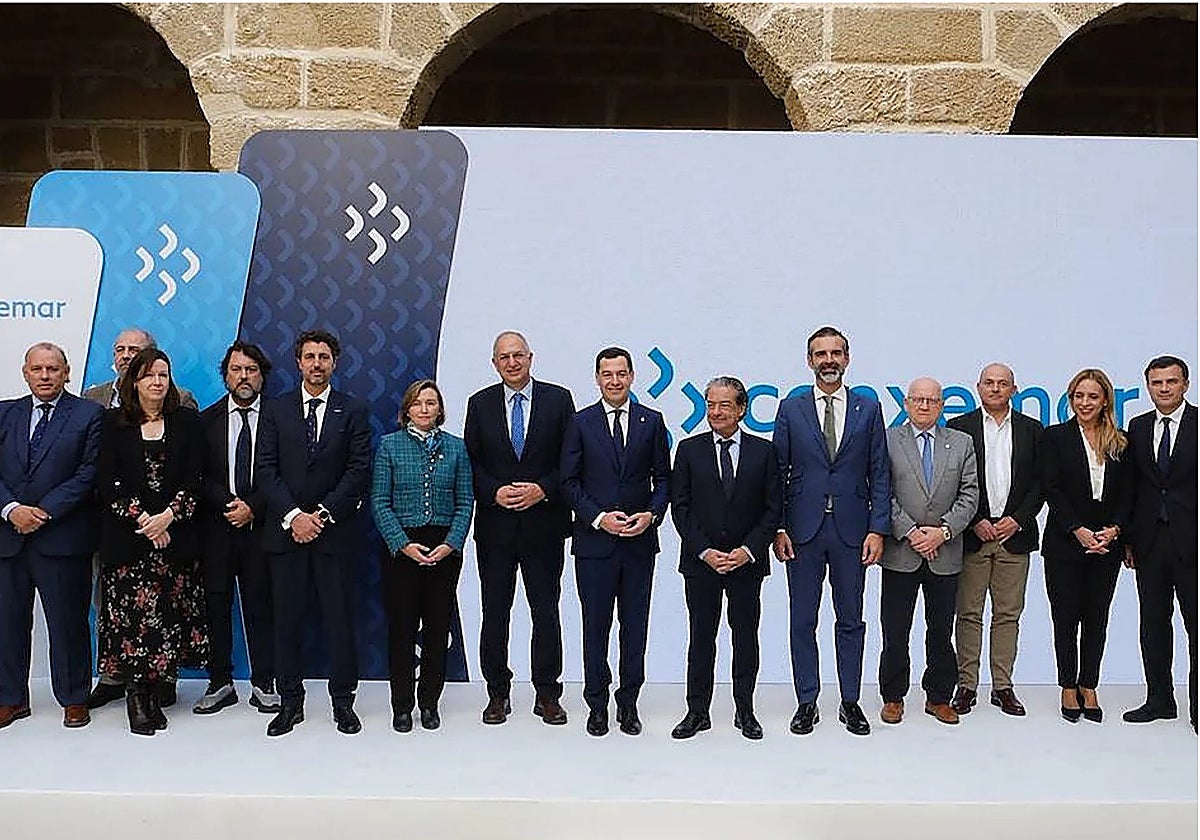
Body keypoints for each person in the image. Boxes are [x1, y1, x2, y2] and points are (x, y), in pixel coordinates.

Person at [771, 326, 890, 736]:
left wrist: (877, 529)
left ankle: (850, 701)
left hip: (852, 532)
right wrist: (779, 527)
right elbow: (777, 471)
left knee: (851, 619)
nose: (828, 360)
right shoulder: (791, 408)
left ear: (847, 358)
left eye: (835, 353)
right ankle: (807, 701)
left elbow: (879, 472)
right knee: (802, 620)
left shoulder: (867, 408)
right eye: (820, 354)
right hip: (801, 532)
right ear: (809, 361)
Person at [256, 329, 371, 737]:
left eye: (324, 357)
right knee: (286, 622)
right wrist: (294, 517)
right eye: (310, 356)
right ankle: (290, 702)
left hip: (333, 534)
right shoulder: (276, 409)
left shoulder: (353, 410)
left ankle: (343, 702)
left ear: (334, 363)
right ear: (298, 362)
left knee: (339, 621)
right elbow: (265, 469)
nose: (317, 363)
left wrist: (320, 516)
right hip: (286, 535)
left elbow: (358, 470)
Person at [95, 347, 207, 736]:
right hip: (128, 542)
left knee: (167, 620)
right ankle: (136, 699)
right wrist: (145, 520)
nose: (157, 382)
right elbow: (107, 481)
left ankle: (156, 692)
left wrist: (167, 518)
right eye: (148, 376)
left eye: (163, 375)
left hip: (174, 541)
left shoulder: (187, 422)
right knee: (133, 625)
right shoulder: (113, 423)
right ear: (135, 382)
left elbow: (196, 477)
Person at [464, 331, 574, 726]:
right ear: (494, 363)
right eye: (504, 357)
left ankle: (547, 694)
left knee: (546, 612)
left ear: (531, 357)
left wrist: (543, 489)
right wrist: (493, 492)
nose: (512, 363)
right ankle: (497, 693)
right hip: (495, 529)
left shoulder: (559, 400)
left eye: (518, 355)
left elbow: (571, 459)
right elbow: (470, 463)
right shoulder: (479, 403)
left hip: (544, 526)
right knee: (495, 612)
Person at [561, 346, 670, 737]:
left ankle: (628, 703)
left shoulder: (651, 421)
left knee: (634, 627)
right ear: (597, 378)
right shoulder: (580, 422)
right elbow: (568, 482)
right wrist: (598, 517)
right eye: (607, 374)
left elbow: (664, 480)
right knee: (595, 626)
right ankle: (597, 705)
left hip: (639, 544)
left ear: (632, 376)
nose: (614, 380)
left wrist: (651, 515)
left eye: (621, 373)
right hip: (595, 545)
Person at [669, 376, 781, 741]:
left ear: (742, 409)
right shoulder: (688, 449)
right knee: (701, 637)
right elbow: (680, 507)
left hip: (746, 564)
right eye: (711, 405)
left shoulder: (764, 452)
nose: (716, 412)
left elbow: (773, 509)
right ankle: (697, 712)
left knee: (745, 638)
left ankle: (745, 711)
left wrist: (747, 551)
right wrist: (704, 551)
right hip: (701, 563)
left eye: (725, 405)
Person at [0, 343, 103, 730]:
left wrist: (42, 512)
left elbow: (88, 472)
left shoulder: (89, 414)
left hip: (62, 538)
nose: (45, 376)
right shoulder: (4, 413)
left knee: (68, 623)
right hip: (9, 537)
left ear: (67, 372)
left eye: (53, 369)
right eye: (38, 369)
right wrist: (12, 509)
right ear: (25, 372)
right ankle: (10, 699)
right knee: (7, 623)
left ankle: (74, 698)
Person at [372, 379, 473, 732]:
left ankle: (429, 703)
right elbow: (379, 502)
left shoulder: (457, 447)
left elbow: (465, 502)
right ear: (407, 410)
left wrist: (451, 543)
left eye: (431, 402)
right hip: (402, 548)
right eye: (418, 403)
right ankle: (402, 705)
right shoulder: (389, 446)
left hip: (444, 548)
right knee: (401, 629)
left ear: (440, 409)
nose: (425, 409)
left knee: (437, 629)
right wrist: (403, 544)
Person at [878, 378, 978, 726]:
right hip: (900, 552)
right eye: (918, 400)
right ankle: (893, 697)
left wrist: (942, 532)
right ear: (906, 404)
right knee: (895, 631)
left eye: (932, 400)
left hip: (944, 553)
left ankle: (938, 697)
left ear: (941, 406)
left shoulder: (962, 443)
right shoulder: (887, 440)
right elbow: (880, 491)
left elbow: (970, 495)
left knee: (940, 631)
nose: (924, 406)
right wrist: (910, 532)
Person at [947, 364, 1044, 717]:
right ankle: (966, 685)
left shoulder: (1033, 430)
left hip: (1014, 537)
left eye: (1003, 383)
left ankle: (1002, 686)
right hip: (973, 536)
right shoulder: (958, 428)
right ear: (978, 387)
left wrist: (1017, 520)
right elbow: (950, 482)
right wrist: (975, 521)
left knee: (1007, 615)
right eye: (989, 383)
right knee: (968, 614)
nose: (995, 388)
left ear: (1014, 389)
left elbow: (1041, 483)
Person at [1040, 368, 1132, 724]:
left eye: (1092, 396)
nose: (1085, 402)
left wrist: (1115, 530)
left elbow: (1128, 492)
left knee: (1097, 618)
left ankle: (1089, 685)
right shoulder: (1055, 437)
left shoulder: (1120, 441)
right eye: (1079, 396)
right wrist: (1077, 530)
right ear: (1070, 398)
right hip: (1065, 543)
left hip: (1107, 544)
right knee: (1065, 618)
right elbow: (1051, 488)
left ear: (1105, 399)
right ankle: (1067, 685)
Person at [192, 342, 280, 716]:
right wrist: (229, 504)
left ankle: (264, 683)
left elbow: (285, 472)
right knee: (215, 607)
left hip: (262, 529)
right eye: (236, 369)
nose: (244, 377)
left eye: (251, 370)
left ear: (262, 375)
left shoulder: (281, 417)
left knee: (262, 606)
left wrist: (253, 506)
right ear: (225, 375)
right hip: (217, 529)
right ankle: (220, 683)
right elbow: (197, 475)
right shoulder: (205, 420)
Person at [1122, 355, 1196, 731]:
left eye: (1171, 381)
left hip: (1193, 541)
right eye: (1157, 382)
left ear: (1186, 384)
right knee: (1153, 624)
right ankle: (1160, 700)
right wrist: (1128, 540)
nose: (1164, 388)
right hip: (1150, 542)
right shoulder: (1137, 427)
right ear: (1148, 386)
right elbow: (1132, 488)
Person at [83, 327, 197, 411]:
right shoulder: (92, 397)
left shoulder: (181, 399)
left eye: (133, 350)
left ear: (151, 355)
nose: (125, 356)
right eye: (120, 350)